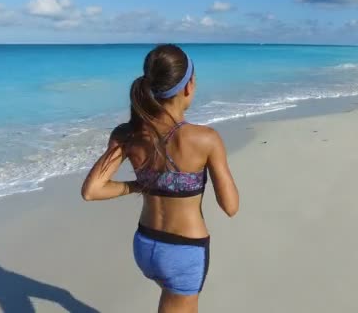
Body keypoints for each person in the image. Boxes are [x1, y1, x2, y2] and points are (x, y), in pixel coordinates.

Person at [81, 44, 239, 313]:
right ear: (189, 87)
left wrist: (137, 185)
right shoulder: (206, 139)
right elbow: (230, 206)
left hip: (145, 246)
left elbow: (92, 190)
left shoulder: (128, 134)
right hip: (184, 252)